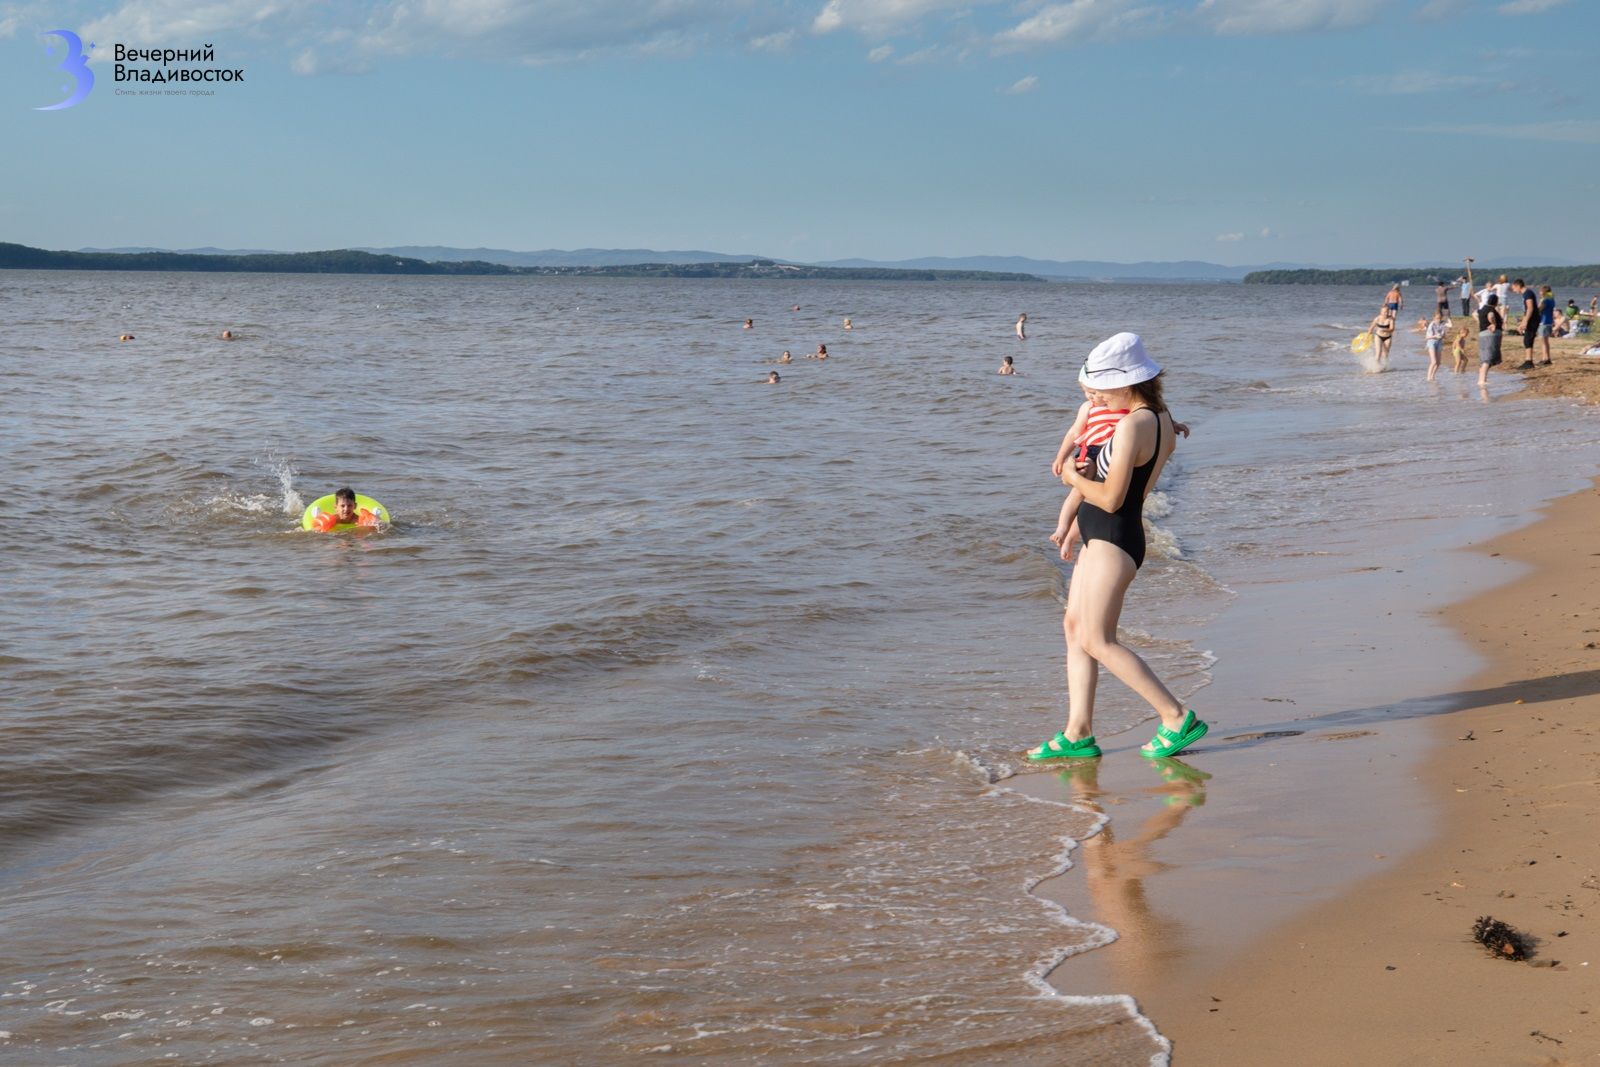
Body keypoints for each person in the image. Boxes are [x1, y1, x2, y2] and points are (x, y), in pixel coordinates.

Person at [1028, 333, 1207, 763]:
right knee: (1075, 629)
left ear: (1125, 383)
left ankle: (1176, 716)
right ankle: (1078, 734)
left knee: (1097, 638)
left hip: (1114, 535)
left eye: (1100, 388)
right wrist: (1076, 523)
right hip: (1101, 535)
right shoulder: (1158, 414)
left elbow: (1110, 498)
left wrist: (1072, 476)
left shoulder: (1134, 424)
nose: (1095, 398)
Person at [312, 487, 379, 532]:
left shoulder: (358, 520)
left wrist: (374, 523)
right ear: (336, 507)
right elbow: (314, 531)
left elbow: (377, 529)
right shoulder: (333, 519)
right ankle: (317, 515)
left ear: (355, 506)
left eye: (349, 505)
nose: (346, 509)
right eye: (342, 506)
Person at [1477, 293, 1504, 387]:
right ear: (1495, 302)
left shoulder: (1482, 308)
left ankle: (1481, 379)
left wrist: (1481, 323)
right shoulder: (1491, 309)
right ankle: (1482, 381)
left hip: (1482, 334)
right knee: (1488, 358)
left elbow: (1474, 314)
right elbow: (1491, 316)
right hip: (1490, 335)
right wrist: (1494, 324)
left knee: (1485, 357)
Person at [1512, 279, 1538, 370]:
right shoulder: (1525, 294)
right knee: (1527, 340)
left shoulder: (1528, 293)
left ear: (1518, 286)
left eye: (1514, 288)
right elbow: (1526, 310)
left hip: (1533, 319)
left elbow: (1530, 308)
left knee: (1528, 339)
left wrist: (1526, 321)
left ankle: (1529, 362)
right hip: (1530, 319)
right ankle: (1528, 361)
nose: (1514, 290)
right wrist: (1522, 322)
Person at [1424, 309, 1447, 381]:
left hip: (1439, 342)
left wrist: (1442, 336)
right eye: (1437, 318)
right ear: (1434, 318)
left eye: (1440, 318)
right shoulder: (1431, 325)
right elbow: (1426, 337)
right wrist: (1435, 336)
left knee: (1438, 363)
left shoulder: (1442, 324)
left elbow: (1444, 335)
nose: (1438, 320)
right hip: (1431, 342)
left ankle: (1433, 376)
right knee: (1433, 362)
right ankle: (1428, 378)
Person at [1538, 286, 1556, 364]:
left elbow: (1539, 309)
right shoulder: (1552, 300)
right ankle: (1546, 358)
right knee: (1546, 341)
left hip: (1544, 322)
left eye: (1540, 291)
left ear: (1544, 292)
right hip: (1549, 322)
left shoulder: (1545, 300)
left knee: (1543, 341)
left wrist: (1540, 302)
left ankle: (1545, 358)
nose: (1539, 293)